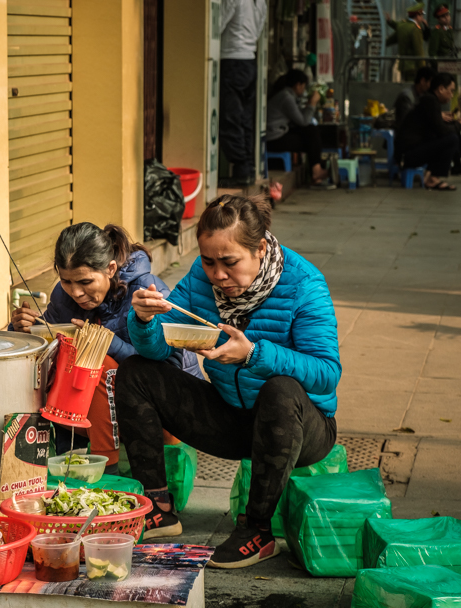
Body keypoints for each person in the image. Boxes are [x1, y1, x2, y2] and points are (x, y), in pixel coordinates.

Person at [115, 194, 340, 569]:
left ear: (260, 249)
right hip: (232, 417)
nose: (217, 274)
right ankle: (157, 507)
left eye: (229, 262)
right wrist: (143, 321)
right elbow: (158, 352)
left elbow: (327, 373)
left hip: (300, 428)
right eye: (208, 261)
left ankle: (257, 530)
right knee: (136, 372)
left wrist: (254, 355)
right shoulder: (200, 282)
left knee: (280, 389)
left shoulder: (304, 285)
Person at [10, 223, 202, 472]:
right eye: (66, 281)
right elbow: (46, 345)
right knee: (51, 363)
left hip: (162, 411)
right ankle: (59, 462)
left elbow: (169, 368)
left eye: (85, 281)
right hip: (89, 413)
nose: (76, 292)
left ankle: (106, 472)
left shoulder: (147, 291)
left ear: (111, 269)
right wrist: (21, 328)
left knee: (99, 364)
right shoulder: (63, 295)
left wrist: (107, 343)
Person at [218, 0, 268, 187]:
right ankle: (247, 169)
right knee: (245, 119)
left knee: (230, 117)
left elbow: (217, 23)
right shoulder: (261, 2)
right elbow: (259, 28)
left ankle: (240, 167)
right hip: (250, 61)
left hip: (232, 60)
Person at [266, 69, 333, 188]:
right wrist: (312, 103)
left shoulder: (286, 95)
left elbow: (300, 120)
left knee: (311, 131)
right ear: (298, 85)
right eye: (303, 86)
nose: (304, 89)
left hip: (279, 133)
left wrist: (308, 105)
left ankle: (316, 172)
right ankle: (316, 172)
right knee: (310, 137)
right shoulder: (286, 98)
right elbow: (303, 121)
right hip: (273, 139)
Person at [396, 72, 460, 190]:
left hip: (410, 152)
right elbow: (442, 131)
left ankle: (432, 176)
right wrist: (458, 124)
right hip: (408, 155)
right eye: (451, 91)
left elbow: (437, 129)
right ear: (441, 89)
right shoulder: (429, 101)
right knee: (452, 139)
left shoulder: (429, 100)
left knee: (449, 137)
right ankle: (432, 179)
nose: (451, 95)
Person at [386, 3, 430, 81]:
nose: (422, 18)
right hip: (413, 66)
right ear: (417, 16)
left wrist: (390, 21)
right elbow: (418, 51)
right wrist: (423, 69)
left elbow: (396, 26)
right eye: (421, 15)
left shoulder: (402, 25)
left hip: (403, 65)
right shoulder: (415, 29)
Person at [394, 66, 434, 132]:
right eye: (430, 82)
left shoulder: (420, 95)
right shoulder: (407, 97)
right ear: (423, 81)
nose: (431, 86)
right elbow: (407, 122)